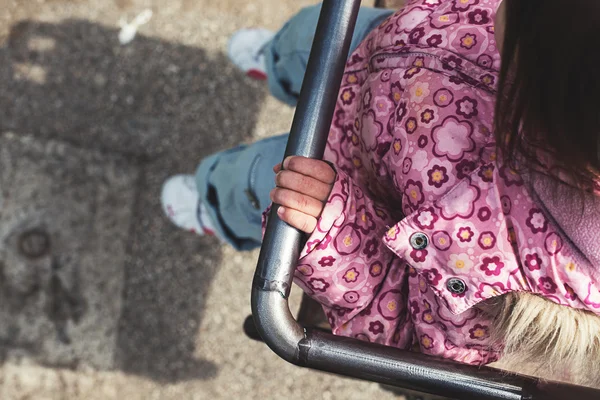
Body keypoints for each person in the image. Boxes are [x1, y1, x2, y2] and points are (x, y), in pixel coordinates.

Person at [162, 0, 600, 388]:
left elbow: (401, 331)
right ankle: (277, 63)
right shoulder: (563, 39)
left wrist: (331, 231)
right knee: (303, 38)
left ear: (541, 87)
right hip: (381, 44)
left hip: (334, 187)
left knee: (252, 181)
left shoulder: (518, 271)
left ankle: (215, 205)